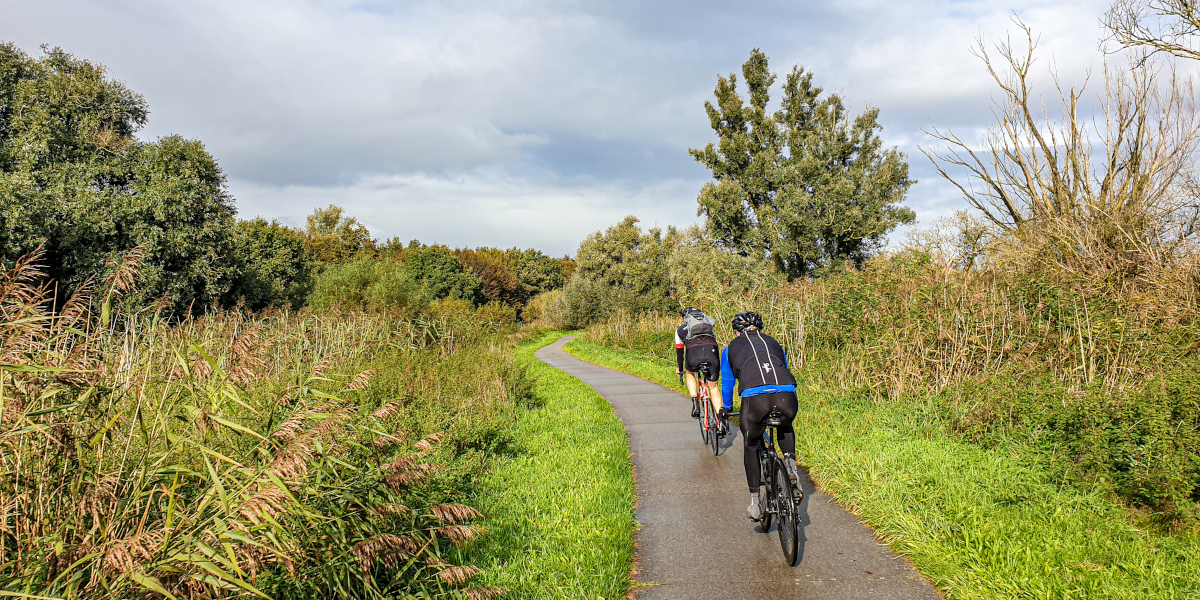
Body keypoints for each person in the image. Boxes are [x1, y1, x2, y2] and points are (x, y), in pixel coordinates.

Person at [719, 310, 799, 521]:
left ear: (737, 332)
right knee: (785, 426)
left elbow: (727, 383)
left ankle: (755, 502)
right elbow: (782, 368)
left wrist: (726, 408)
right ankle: (791, 467)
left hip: (756, 399)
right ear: (760, 329)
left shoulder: (729, 349)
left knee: (752, 444)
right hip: (787, 394)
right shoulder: (773, 342)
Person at [674, 307, 723, 423]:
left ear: (685, 319)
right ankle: (721, 423)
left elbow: (679, 353)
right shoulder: (709, 325)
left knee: (690, 372)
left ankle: (695, 402)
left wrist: (680, 369)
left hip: (693, 356)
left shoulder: (680, 330)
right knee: (714, 387)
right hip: (712, 354)